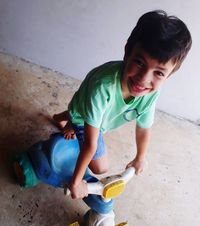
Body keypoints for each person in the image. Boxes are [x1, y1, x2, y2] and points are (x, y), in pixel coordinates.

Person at [53, 10, 192, 199]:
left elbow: (144, 127)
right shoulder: (103, 86)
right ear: (127, 51)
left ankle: (67, 116)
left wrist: (140, 157)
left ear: (169, 75)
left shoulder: (151, 92)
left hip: (99, 115)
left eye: (159, 73)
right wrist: (76, 182)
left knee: (82, 113)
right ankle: (72, 119)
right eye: (139, 62)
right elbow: (90, 144)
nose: (144, 79)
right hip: (88, 115)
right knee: (100, 167)